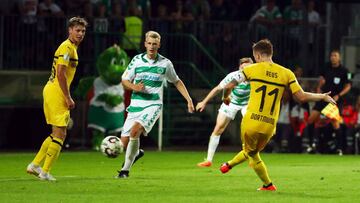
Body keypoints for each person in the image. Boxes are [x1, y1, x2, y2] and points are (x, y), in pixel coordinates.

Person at [219, 39, 336, 191]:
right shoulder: (286, 73)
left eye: (255, 57)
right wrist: (322, 97)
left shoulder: (252, 69)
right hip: (269, 126)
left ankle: (268, 185)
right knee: (252, 152)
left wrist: (225, 98)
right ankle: (228, 166)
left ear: (259, 55)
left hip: (251, 122)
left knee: (251, 154)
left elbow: (229, 86)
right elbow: (301, 97)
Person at [117, 31, 195, 178]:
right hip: (135, 105)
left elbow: (177, 81)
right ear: (145, 44)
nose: (152, 46)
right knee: (124, 144)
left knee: (135, 131)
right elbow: (125, 80)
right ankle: (137, 153)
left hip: (153, 105)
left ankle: (124, 171)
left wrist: (189, 99)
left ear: (159, 45)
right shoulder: (136, 60)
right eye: (149, 43)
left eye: (155, 44)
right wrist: (134, 87)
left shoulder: (165, 63)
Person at [26, 17, 88, 181]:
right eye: (77, 30)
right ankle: (45, 172)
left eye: (83, 31)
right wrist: (68, 97)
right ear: (70, 30)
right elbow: (60, 73)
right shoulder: (67, 47)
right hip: (57, 92)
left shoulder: (70, 47)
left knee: (57, 133)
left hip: (53, 90)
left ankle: (35, 165)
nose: (80, 34)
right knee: (60, 134)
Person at [196, 57, 253, 167]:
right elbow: (218, 89)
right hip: (231, 102)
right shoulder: (233, 76)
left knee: (249, 130)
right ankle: (208, 160)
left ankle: (252, 158)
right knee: (219, 128)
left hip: (247, 103)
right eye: (243, 68)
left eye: (248, 68)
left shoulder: (256, 77)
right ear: (240, 68)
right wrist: (204, 102)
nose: (245, 70)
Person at [306, 50, 352, 155]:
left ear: (339, 58)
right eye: (331, 55)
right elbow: (321, 80)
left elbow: (348, 86)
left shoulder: (345, 71)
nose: (333, 57)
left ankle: (339, 149)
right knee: (311, 119)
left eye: (335, 55)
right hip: (323, 97)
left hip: (334, 101)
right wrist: (319, 90)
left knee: (335, 123)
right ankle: (311, 145)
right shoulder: (325, 67)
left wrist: (339, 95)